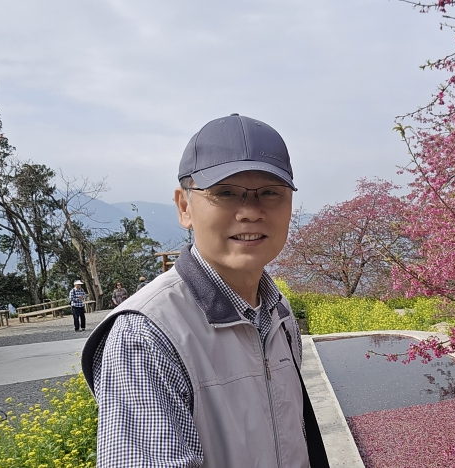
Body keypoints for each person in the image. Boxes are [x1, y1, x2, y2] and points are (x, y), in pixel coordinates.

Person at [82, 114, 326, 467]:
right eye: (225, 193)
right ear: (185, 207)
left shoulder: (278, 313)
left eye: (270, 193)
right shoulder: (147, 336)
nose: (250, 212)